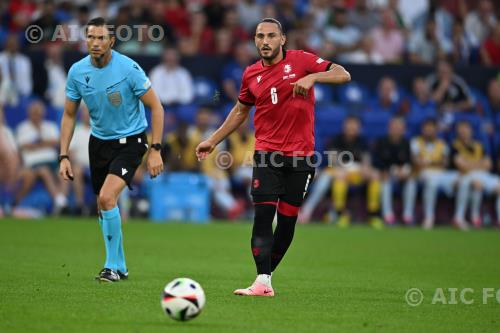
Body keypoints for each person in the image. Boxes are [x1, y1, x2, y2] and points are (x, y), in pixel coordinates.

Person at [196, 18, 351, 296]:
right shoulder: (251, 74)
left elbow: (343, 74)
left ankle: (265, 280)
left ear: (282, 39)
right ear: (254, 41)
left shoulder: (302, 60)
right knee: (263, 215)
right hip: (267, 155)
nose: (264, 41)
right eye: (259, 36)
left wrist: (313, 77)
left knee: (288, 220)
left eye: (270, 36)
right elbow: (240, 112)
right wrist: (212, 140)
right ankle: (262, 279)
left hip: (301, 157)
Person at [59, 17, 164, 283]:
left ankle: (111, 267)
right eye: (91, 38)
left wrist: (156, 149)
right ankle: (122, 265)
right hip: (99, 143)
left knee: (107, 198)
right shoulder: (77, 72)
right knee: (104, 204)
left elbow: (157, 107)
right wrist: (63, 155)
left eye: (101, 38)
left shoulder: (129, 69)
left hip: (131, 141)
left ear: (111, 41)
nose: (95, 43)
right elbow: (69, 115)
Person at [327, 116, 382, 228]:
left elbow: (367, 161)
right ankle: (340, 214)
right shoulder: (336, 139)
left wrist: (365, 169)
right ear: (344, 126)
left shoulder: (363, 141)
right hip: (342, 171)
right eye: (349, 125)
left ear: (359, 127)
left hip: (358, 173)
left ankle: (373, 214)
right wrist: (344, 168)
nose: (351, 128)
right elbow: (332, 160)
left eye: (354, 125)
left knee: (375, 175)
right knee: (339, 177)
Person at [373, 116, 413, 225]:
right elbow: (376, 161)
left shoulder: (406, 143)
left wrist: (405, 171)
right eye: (394, 127)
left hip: (401, 174)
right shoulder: (382, 142)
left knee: (411, 182)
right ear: (389, 128)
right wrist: (387, 170)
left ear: (403, 129)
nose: (396, 129)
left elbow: (409, 161)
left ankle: (407, 215)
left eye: (399, 127)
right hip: (386, 173)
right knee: (385, 183)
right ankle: (388, 215)